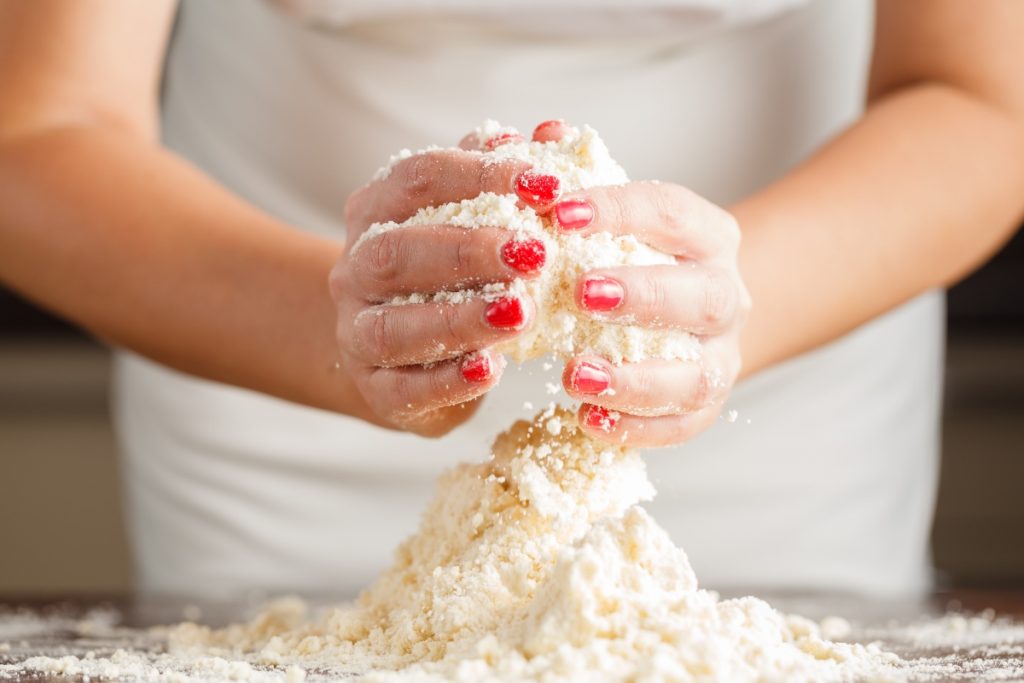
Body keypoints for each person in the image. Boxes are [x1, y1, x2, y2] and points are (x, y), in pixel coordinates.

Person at [1, 0, 1022, 600]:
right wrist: (337, 322)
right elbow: (33, 130)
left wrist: (717, 307)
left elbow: (984, 100)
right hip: (272, 392)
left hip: (785, 403)